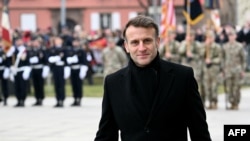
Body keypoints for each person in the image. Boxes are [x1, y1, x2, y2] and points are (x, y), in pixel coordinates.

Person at [94, 15, 211, 141]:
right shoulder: (113, 83)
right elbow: (106, 134)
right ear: (126, 46)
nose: (142, 48)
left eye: (147, 41)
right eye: (135, 42)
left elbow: (199, 132)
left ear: (157, 42)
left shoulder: (183, 77)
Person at [222, 29, 246, 110]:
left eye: (232, 35)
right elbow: (223, 59)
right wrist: (223, 70)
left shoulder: (239, 46)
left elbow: (243, 59)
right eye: (229, 35)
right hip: (228, 70)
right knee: (229, 87)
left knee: (236, 87)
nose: (231, 37)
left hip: (237, 70)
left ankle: (236, 103)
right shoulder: (225, 46)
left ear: (235, 36)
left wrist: (243, 70)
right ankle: (231, 102)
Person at [200, 31, 222, 109]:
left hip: (214, 69)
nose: (209, 39)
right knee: (206, 86)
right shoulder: (204, 46)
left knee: (214, 86)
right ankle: (208, 102)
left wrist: (212, 60)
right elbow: (201, 55)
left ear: (214, 38)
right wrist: (206, 47)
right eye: (208, 38)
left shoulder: (217, 47)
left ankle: (214, 102)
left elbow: (220, 58)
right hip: (206, 69)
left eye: (211, 37)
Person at [48, 37, 70, 107]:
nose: (57, 41)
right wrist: (54, 59)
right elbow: (49, 58)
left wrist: (67, 68)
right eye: (56, 40)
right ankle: (57, 100)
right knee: (56, 84)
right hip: (55, 68)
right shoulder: (52, 49)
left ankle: (62, 100)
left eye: (59, 40)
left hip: (62, 67)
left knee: (61, 84)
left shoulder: (64, 49)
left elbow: (66, 59)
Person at [66, 38, 88, 106]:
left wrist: (83, 70)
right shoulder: (70, 50)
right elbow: (68, 60)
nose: (75, 43)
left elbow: (84, 61)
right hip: (72, 69)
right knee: (73, 85)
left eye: (76, 42)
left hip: (79, 69)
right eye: (74, 42)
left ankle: (79, 99)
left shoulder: (81, 51)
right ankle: (75, 99)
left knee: (78, 85)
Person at [10, 38, 32, 107]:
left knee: (23, 86)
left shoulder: (25, 50)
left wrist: (27, 70)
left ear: (22, 41)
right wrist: (12, 69)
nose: (18, 42)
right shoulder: (14, 50)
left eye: (19, 41)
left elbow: (28, 61)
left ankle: (22, 100)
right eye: (17, 41)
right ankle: (18, 100)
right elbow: (11, 61)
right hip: (16, 71)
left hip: (23, 70)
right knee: (17, 86)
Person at [29, 38, 49, 106]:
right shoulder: (31, 50)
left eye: (36, 42)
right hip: (34, 69)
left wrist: (45, 69)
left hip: (40, 69)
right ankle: (37, 99)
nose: (35, 44)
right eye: (34, 42)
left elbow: (46, 60)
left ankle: (41, 98)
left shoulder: (42, 50)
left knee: (40, 85)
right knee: (35, 85)